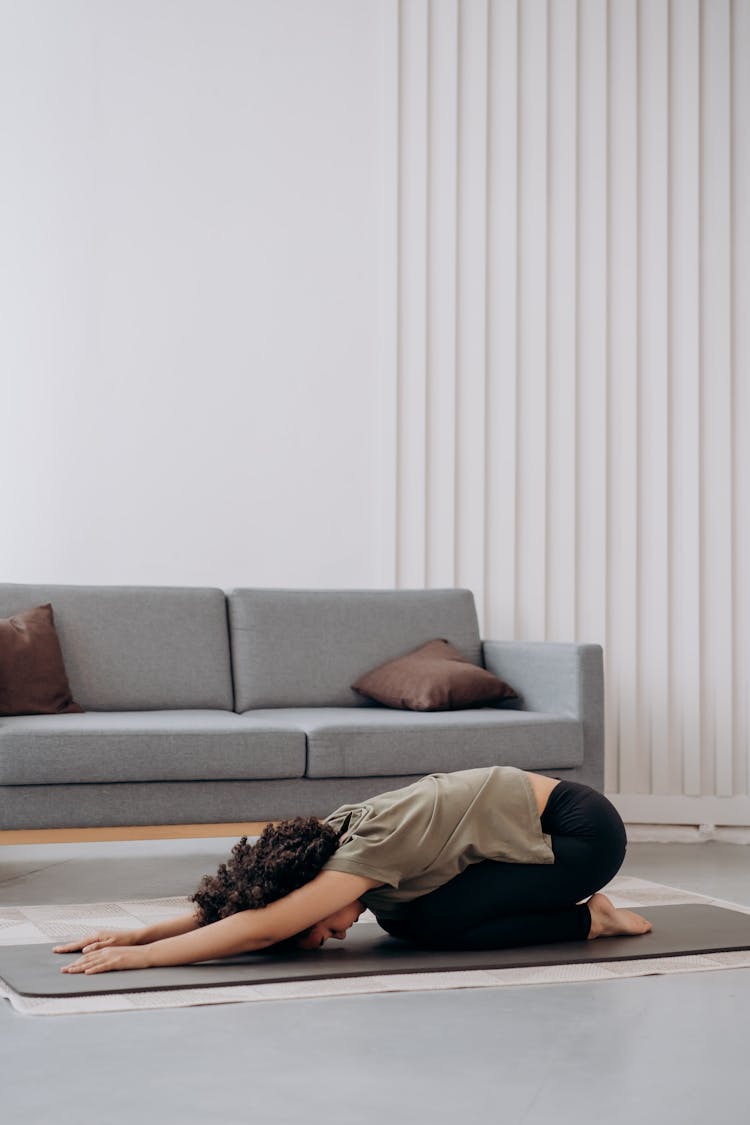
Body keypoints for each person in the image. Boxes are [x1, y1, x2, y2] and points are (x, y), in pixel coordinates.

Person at [54, 766, 652, 975]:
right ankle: (584, 917)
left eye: (314, 932)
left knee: (428, 924)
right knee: (405, 920)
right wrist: (140, 930)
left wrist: (146, 959)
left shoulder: (363, 854)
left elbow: (261, 926)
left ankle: (592, 920)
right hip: (537, 834)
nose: (330, 936)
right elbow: (248, 907)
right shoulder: (322, 847)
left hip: (581, 836)